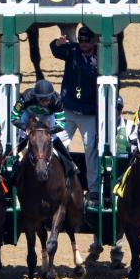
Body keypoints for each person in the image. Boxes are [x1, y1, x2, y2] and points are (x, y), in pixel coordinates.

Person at [51, 26, 99, 205]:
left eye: (87, 40)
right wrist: (57, 43)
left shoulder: (101, 56)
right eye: (81, 40)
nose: (83, 44)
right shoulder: (72, 50)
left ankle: (94, 190)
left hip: (89, 112)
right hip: (69, 109)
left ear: (94, 40)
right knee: (57, 145)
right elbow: (55, 50)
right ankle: (59, 182)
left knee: (91, 149)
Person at [10, 79, 79, 181]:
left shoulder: (57, 101)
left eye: (48, 99)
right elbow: (14, 117)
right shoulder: (26, 97)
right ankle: (13, 164)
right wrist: (26, 128)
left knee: (54, 138)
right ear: (36, 97)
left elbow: (61, 124)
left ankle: (70, 163)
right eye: (42, 99)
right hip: (28, 113)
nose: (45, 102)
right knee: (23, 135)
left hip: (47, 115)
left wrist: (49, 132)